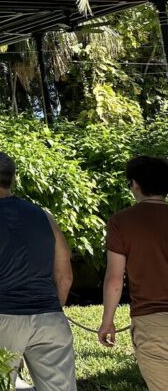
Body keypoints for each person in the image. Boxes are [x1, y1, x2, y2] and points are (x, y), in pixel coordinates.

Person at [0, 151, 76, 391]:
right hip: (49, 318)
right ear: (12, 179)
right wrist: (50, 308)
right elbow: (65, 276)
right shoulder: (45, 216)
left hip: (0, 318)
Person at [98, 155, 168, 390]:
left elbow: (115, 279)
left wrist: (107, 321)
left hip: (152, 322)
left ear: (135, 184)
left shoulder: (121, 221)